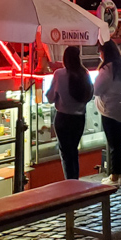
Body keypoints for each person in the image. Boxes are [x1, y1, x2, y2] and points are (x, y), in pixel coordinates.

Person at [45, 46, 94, 180]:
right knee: (73, 150)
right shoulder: (85, 73)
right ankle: (75, 180)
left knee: (65, 153)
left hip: (63, 119)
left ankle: (70, 182)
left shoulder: (59, 74)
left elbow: (50, 97)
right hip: (79, 119)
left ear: (64, 59)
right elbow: (90, 95)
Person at [94, 40, 121, 187]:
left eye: (100, 51)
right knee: (117, 142)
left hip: (111, 110)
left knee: (114, 144)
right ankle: (117, 174)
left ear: (105, 52)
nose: (100, 55)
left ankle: (115, 177)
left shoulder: (107, 69)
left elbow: (96, 89)